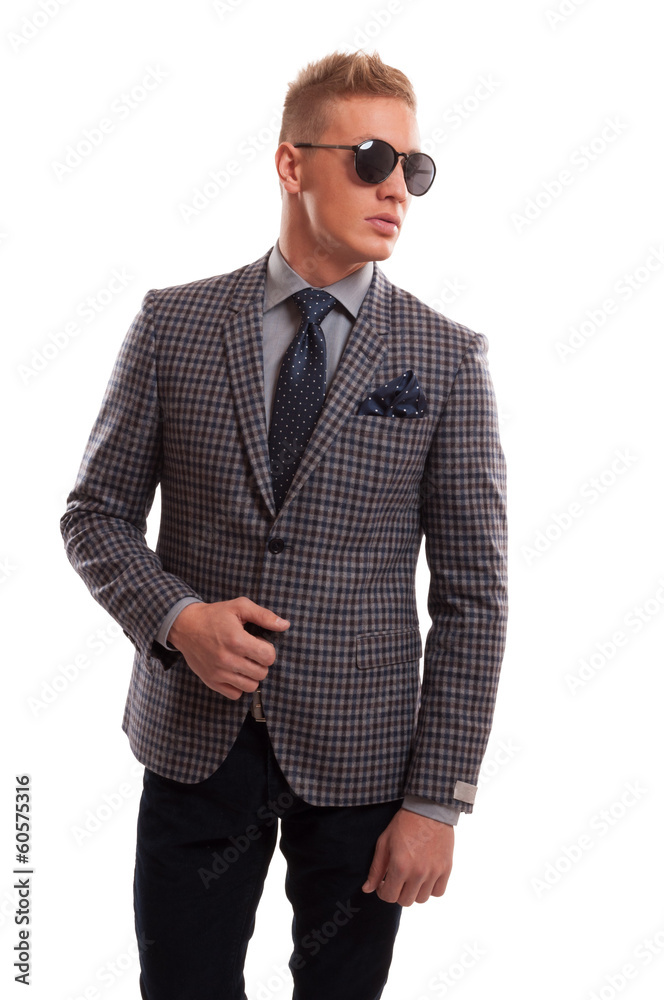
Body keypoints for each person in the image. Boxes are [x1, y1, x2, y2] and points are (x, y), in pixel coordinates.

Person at [60, 50, 508, 1000]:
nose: (397, 189)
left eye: (414, 169)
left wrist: (437, 802)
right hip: (193, 742)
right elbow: (94, 515)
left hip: (364, 762)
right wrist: (179, 619)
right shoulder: (173, 325)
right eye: (373, 158)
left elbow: (474, 598)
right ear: (291, 163)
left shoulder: (447, 358)